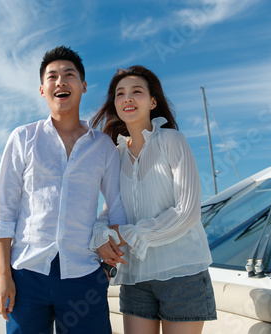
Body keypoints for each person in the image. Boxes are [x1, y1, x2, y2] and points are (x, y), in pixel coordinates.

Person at [0, 45, 127, 334]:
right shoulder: (22, 138)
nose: (60, 81)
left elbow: (118, 206)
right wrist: (4, 275)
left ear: (83, 86)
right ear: (42, 89)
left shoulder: (102, 146)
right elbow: (5, 210)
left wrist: (107, 259)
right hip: (26, 274)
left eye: (69, 74)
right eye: (52, 77)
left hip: (85, 274)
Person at [90, 65, 217, 334]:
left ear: (153, 101)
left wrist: (125, 234)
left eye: (137, 91)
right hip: (135, 277)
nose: (128, 98)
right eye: (120, 94)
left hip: (182, 273)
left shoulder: (173, 140)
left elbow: (187, 212)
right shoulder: (115, 155)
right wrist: (102, 238)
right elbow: (109, 211)